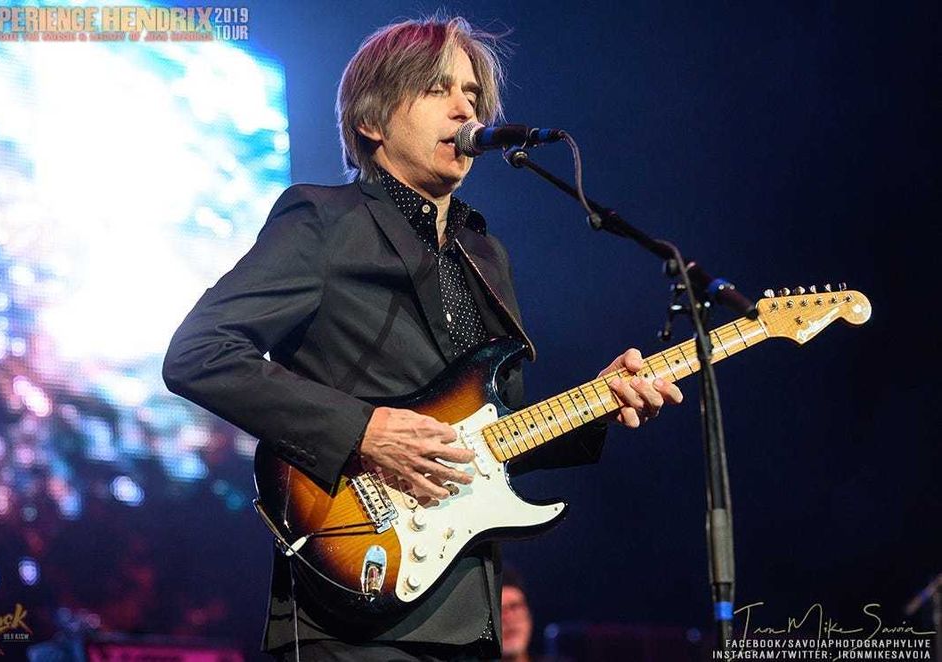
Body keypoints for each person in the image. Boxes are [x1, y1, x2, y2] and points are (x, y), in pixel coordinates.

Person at [162, 15, 683, 661]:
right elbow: (199, 353)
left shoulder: (485, 254)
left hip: (466, 610)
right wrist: (363, 430)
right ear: (371, 121)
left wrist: (601, 403)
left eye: (472, 93)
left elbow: (496, 439)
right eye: (438, 90)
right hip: (353, 604)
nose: (465, 109)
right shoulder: (323, 220)